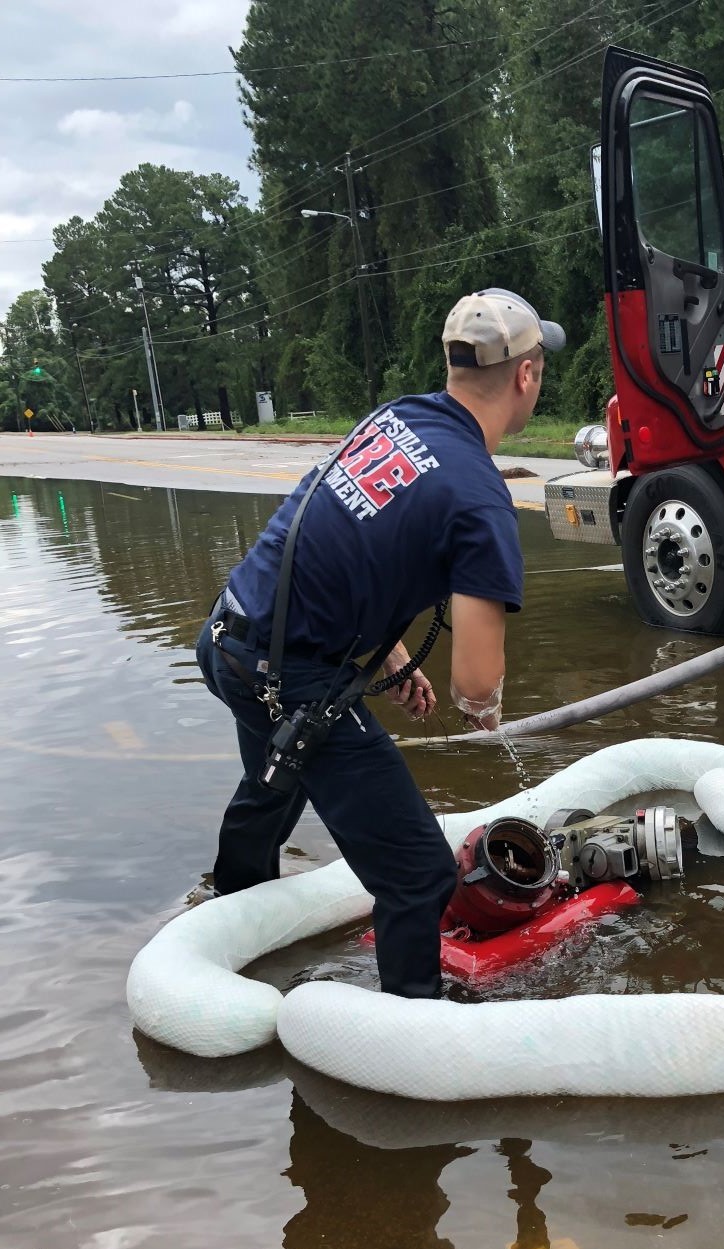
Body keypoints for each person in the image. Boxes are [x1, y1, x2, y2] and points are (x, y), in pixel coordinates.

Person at [195, 288, 565, 1000]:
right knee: (421, 875)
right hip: (289, 676)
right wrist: (483, 705)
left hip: (229, 635)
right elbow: (477, 684)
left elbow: (349, 544)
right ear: (526, 377)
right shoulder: (482, 499)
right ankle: (407, 1039)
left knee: (276, 785)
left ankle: (225, 937)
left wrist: (393, 659)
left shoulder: (397, 417)